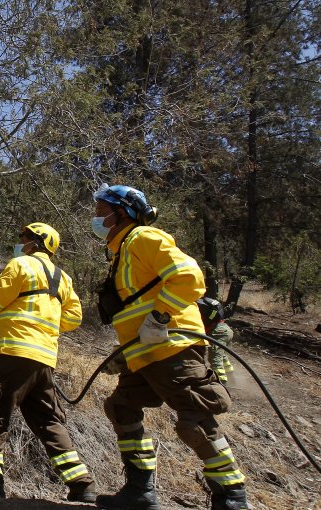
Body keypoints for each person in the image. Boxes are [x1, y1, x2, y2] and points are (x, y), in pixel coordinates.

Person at [92, 184, 248, 510]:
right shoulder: (122, 252)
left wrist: (160, 317)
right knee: (121, 407)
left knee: (195, 421)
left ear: (122, 213)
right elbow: (135, 306)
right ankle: (140, 492)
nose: (96, 217)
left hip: (172, 347)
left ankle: (232, 496)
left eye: (101, 210)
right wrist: (125, 352)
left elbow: (189, 276)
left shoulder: (145, 238)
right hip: (144, 353)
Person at [0, 222, 95, 502]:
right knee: (48, 421)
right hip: (44, 361)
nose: (20, 241)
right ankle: (82, 485)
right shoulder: (63, 278)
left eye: (24, 237)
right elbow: (73, 319)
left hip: (13, 354)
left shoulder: (20, 264)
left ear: (36, 242)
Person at [197, 297, 235, 385]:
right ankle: (231, 377)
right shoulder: (206, 304)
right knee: (222, 355)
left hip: (218, 332)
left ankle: (221, 383)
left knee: (215, 359)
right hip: (225, 329)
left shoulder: (197, 306)